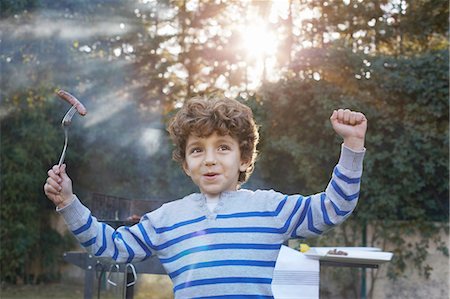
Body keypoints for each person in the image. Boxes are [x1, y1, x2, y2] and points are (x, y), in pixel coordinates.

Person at [44, 97, 367, 298]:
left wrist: (352, 147)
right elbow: (112, 248)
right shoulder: (167, 218)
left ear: (244, 158)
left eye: (223, 147)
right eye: (198, 150)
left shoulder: (271, 208)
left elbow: (333, 208)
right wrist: (68, 203)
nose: (210, 159)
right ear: (186, 164)